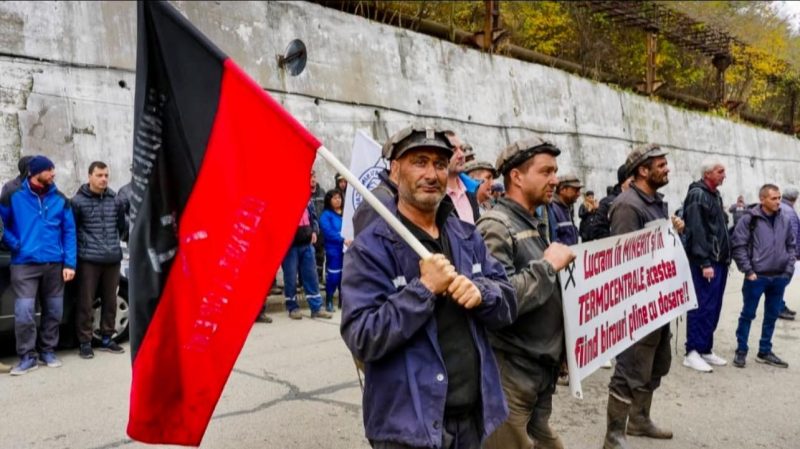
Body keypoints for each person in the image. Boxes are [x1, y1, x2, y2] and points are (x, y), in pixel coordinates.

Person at [341, 125, 517, 449]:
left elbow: (508, 302)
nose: (432, 173)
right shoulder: (370, 248)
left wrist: (483, 294)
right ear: (395, 171)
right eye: (419, 162)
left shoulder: (467, 235)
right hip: (408, 430)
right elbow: (361, 336)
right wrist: (423, 290)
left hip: (472, 419)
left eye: (439, 163)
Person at [478, 136, 576, 449]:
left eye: (555, 171)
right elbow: (498, 301)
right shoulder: (496, 226)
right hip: (511, 375)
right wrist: (548, 267)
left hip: (538, 371)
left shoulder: (534, 221)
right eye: (546, 171)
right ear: (517, 177)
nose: (555, 179)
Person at [603, 144, 675, 449]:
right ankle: (614, 436)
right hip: (637, 303)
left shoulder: (656, 202)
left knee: (657, 363)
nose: (666, 168)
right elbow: (624, 256)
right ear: (642, 170)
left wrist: (673, 230)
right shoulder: (627, 206)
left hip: (659, 299)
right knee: (629, 369)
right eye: (660, 165)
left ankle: (640, 420)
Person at [0, 156, 76, 375]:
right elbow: (2, 224)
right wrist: (16, 245)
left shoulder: (60, 199)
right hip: (24, 264)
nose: (53, 173)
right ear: (35, 172)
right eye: (49, 170)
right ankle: (27, 356)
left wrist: (69, 262)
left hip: (54, 263)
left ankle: (48, 351)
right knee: (24, 312)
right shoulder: (13, 195)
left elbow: (69, 231)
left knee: (54, 311)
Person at [731, 184, 795, 369]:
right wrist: (748, 271)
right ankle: (741, 350)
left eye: (779, 198)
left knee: (772, 315)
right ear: (762, 199)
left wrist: (787, 271)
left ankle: (765, 350)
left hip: (779, 277)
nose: (778, 202)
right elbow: (739, 246)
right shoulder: (749, 220)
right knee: (748, 314)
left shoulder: (784, 219)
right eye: (773, 198)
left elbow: (791, 246)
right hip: (756, 277)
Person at [71, 161, 127, 359]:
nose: (103, 179)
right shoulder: (77, 201)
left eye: (106, 175)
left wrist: (113, 244)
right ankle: (85, 342)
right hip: (88, 259)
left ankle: (107, 338)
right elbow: (73, 230)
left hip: (112, 258)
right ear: (89, 176)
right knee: (86, 303)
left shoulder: (115, 200)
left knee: (110, 301)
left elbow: (122, 226)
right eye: (99, 175)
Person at [680, 158, 731, 372]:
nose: (724, 175)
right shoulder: (698, 195)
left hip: (719, 261)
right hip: (707, 262)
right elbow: (696, 231)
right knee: (701, 306)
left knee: (713, 307)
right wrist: (704, 262)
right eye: (720, 171)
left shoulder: (714, 195)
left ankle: (705, 349)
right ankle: (692, 351)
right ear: (708, 173)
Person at [282, 170, 333, 320]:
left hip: (306, 243)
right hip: (290, 246)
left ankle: (316, 307)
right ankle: (292, 307)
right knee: (290, 277)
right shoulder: (283, 198)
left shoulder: (306, 198)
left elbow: (314, 218)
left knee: (311, 276)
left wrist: (315, 231)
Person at [319, 189, 350, 312]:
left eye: (339, 197)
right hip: (334, 250)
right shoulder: (326, 215)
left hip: (347, 249)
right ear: (329, 200)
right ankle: (329, 300)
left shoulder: (346, 213)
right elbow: (328, 232)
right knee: (334, 276)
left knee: (346, 275)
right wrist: (342, 238)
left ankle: (344, 301)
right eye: (335, 198)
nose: (338, 200)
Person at [585, 165, 632, 242]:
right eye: (631, 179)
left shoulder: (641, 199)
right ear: (623, 182)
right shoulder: (607, 203)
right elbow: (598, 229)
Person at [444, 131, 481, 224]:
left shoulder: (471, 189)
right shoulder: (435, 195)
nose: (461, 155)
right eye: (453, 150)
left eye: (461, 149)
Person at [777, 187, 800, 320]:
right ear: (795, 198)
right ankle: (778, 308)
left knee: (781, 281)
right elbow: (793, 236)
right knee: (782, 281)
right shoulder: (789, 211)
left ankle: (780, 305)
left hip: (783, 252)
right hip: (787, 254)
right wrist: (795, 254)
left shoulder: (783, 208)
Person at [548, 173, 582, 245]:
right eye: (576, 190)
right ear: (562, 190)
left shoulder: (568, 208)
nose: (579, 194)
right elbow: (553, 242)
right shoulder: (552, 209)